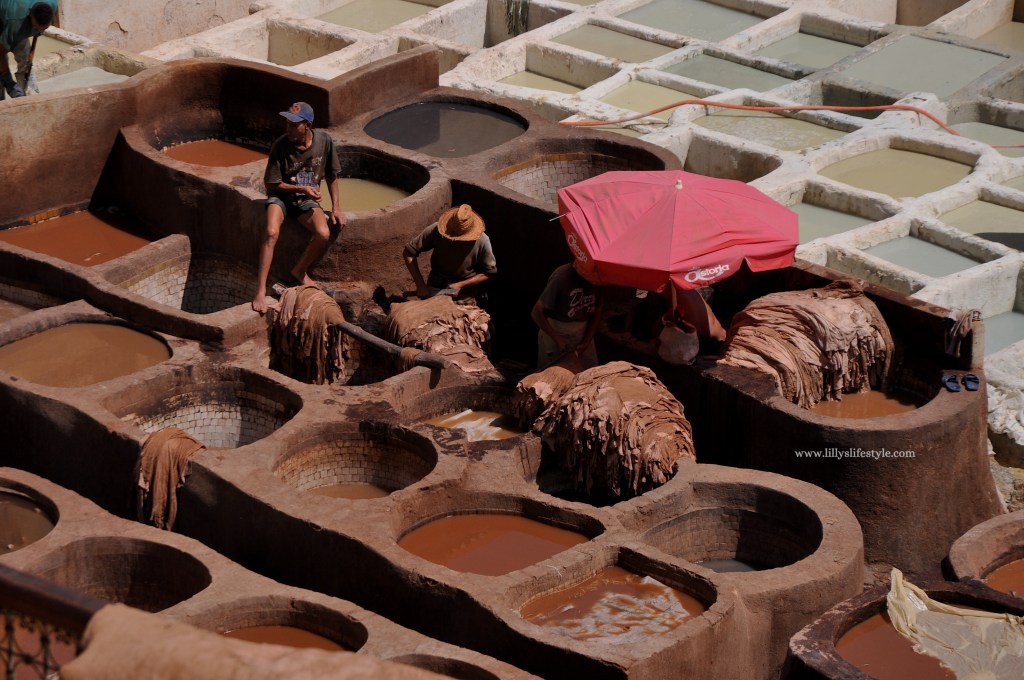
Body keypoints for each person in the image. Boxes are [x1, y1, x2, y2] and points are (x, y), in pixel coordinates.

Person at [252, 101, 345, 313]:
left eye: (294, 125)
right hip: (282, 196)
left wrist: (337, 207)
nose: (289, 129)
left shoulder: (324, 142)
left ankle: (300, 270)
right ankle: (259, 291)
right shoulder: (280, 145)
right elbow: (271, 183)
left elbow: (332, 175)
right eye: (287, 123)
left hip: (306, 199)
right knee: (271, 232)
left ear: (308, 126)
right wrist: (302, 189)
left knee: (323, 233)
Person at [403, 204, 496, 302]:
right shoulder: (436, 229)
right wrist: (420, 285)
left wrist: (460, 285)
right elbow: (408, 252)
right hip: (436, 282)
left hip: (464, 290)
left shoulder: (482, 241)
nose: (455, 240)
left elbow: (489, 273)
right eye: (452, 235)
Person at [532, 260, 603, 370]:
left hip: (582, 332)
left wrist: (586, 341)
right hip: (557, 330)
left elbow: (597, 312)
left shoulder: (599, 278)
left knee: (587, 373)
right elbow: (536, 312)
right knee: (554, 374)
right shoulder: (561, 277)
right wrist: (558, 339)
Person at [0, 0, 57, 98]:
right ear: (30, 15)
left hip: (16, 19)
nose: (40, 31)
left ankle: (30, 96)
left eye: (44, 28)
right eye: (36, 27)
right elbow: (0, 53)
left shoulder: (53, 3)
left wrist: (38, 31)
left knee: (26, 62)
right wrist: (8, 79)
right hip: (5, 19)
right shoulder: (15, 20)